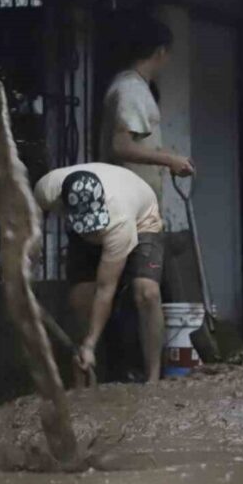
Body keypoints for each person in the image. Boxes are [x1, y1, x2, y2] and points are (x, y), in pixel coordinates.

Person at [34, 163, 165, 384]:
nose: (92, 232)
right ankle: (89, 374)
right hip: (94, 219)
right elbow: (32, 215)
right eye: (86, 226)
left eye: (94, 225)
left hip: (142, 220)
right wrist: (29, 254)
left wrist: (90, 342)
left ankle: (153, 378)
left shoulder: (119, 221)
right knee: (80, 298)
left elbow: (106, 289)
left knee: (147, 291)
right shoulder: (47, 189)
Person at [99, 16, 194, 202]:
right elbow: (121, 146)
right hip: (128, 199)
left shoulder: (136, 86)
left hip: (135, 198)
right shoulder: (131, 88)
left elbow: (140, 144)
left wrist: (172, 157)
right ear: (160, 52)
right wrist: (169, 160)